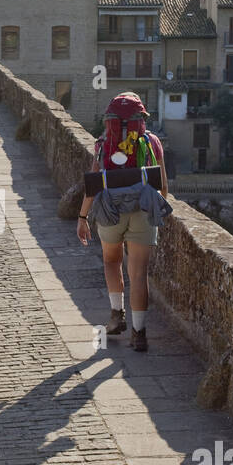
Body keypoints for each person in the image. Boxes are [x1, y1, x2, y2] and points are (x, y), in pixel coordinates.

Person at [77, 93, 170, 352]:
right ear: (141, 119)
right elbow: (163, 187)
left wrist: (82, 217)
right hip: (142, 210)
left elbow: (92, 186)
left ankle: (117, 315)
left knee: (111, 261)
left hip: (109, 211)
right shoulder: (152, 142)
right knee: (139, 274)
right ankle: (139, 334)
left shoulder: (103, 144)